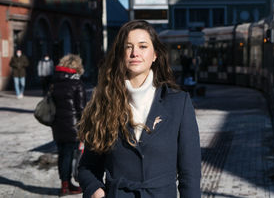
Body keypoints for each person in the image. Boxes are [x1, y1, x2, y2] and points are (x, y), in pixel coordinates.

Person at [77, 20, 201, 198]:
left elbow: (190, 173)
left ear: (155, 54)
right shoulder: (104, 103)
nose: (135, 53)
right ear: (120, 54)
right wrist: (96, 191)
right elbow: (87, 167)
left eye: (143, 46)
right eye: (128, 47)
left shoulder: (178, 103)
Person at [51, 54, 86, 196]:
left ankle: (65, 183)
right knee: (70, 155)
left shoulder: (55, 82)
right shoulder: (77, 84)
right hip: (73, 127)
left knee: (62, 155)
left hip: (57, 125)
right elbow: (81, 109)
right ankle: (67, 186)